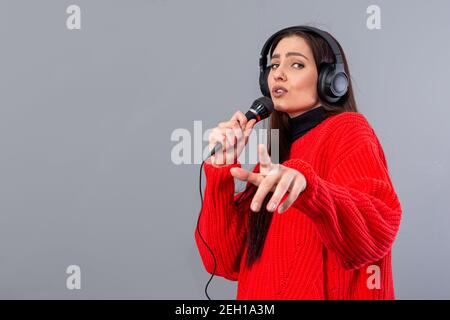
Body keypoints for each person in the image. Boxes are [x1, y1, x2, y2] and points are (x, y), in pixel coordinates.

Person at [195, 26, 402, 300]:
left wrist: (311, 189)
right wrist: (221, 170)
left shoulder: (348, 129)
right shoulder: (276, 158)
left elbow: (377, 229)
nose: (278, 73)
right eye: (274, 65)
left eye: (296, 64)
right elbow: (221, 260)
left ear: (331, 80)